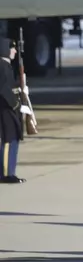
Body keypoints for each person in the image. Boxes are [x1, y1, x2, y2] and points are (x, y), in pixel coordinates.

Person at [0, 38, 30, 184]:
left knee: (13, 139)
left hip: (10, 109)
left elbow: (10, 85)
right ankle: (6, 173)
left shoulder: (6, 66)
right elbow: (4, 89)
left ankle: (10, 171)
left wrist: (21, 85)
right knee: (8, 140)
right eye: (12, 48)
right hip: (7, 109)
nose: (15, 51)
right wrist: (16, 104)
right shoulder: (2, 66)